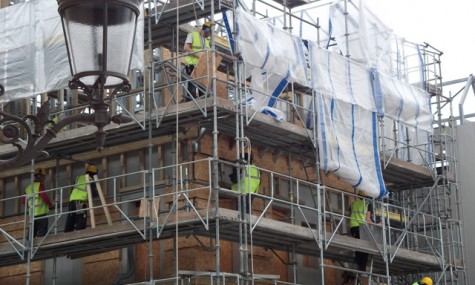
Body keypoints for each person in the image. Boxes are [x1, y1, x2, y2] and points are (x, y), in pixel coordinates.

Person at [182, 21, 211, 101]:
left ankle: (203, 101)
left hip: (202, 65)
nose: (210, 35)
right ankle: (190, 101)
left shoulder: (207, 41)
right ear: (207, 30)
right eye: (209, 32)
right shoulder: (192, 35)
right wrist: (198, 55)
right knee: (192, 85)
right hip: (192, 64)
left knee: (202, 85)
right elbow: (186, 48)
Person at [64, 165, 98, 232]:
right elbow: (94, 194)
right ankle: (80, 235)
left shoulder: (78, 178)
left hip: (72, 203)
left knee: (71, 220)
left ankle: (66, 235)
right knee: (81, 222)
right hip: (80, 203)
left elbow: (72, 189)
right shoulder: (91, 180)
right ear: (94, 174)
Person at [22, 168, 53, 237]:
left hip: (32, 214)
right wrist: (50, 204)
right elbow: (44, 196)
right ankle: (41, 245)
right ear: (43, 177)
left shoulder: (28, 187)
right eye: (44, 177)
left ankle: (28, 244)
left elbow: (23, 201)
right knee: (42, 232)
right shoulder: (40, 186)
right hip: (41, 214)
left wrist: (30, 207)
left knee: (31, 234)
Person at [230, 146, 261, 214]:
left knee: (241, 212)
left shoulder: (241, 165)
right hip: (252, 193)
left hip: (241, 191)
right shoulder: (256, 169)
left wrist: (232, 173)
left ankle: (242, 222)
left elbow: (235, 179)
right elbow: (259, 182)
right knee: (248, 210)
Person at [349, 191, 375, 272]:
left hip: (353, 227)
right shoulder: (368, 204)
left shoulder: (353, 204)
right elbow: (367, 220)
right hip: (362, 228)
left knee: (358, 247)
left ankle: (356, 264)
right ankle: (362, 269)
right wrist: (377, 224)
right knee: (365, 248)